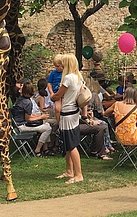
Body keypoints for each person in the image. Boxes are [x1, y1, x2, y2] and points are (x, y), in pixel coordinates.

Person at [51, 53, 86, 184]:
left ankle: (78, 174)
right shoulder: (79, 77)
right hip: (74, 112)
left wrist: (53, 96)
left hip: (67, 113)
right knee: (68, 144)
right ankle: (69, 170)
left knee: (71, 145)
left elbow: (58, 95)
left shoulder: (68, 78)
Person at [103, 87, 137, 169]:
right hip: (132, 137)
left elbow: (105, 114)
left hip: (119, 137)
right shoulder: (136, 108)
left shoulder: (116, 104)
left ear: (124, 95)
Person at [11, 81, 52, 157]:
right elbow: (28, 119)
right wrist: (41, 117)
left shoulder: (20, 99)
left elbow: (26, 115)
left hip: (17, 125)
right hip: (22, 127)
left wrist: (37, 117)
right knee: (48, 128)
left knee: (45, 124)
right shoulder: (27, 102)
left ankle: (45, 148)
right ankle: (38, 150)